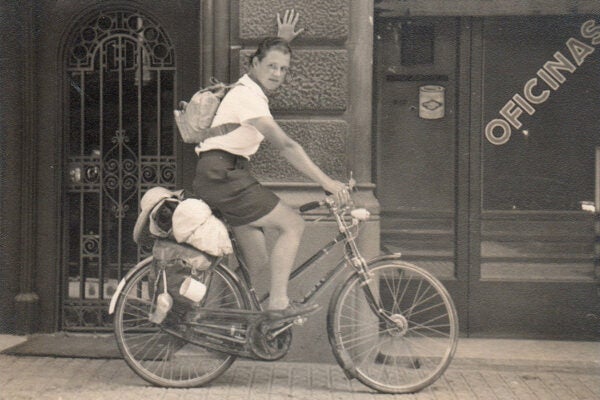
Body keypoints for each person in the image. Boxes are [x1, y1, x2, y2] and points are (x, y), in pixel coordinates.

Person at [192, 11, 349, 318]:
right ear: (254, 64)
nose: (278, 74)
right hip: (223, 174)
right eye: (271, 66)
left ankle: (232, 322)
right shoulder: (248, 97)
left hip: (223, 174)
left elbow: (271, 61)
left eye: (284, 69)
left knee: (258, 261)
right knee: (292, 223)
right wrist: (327, 182)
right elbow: (286, 146)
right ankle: (279, 304)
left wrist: (282, 43)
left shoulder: (249, 89)